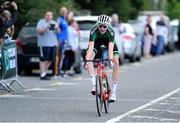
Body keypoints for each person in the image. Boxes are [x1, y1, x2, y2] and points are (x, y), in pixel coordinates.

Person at [85, 14, 120, 102]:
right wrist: (87, 60)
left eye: (104, 26)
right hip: (97, 41)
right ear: (97, 25)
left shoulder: (111, 31)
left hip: (109, 42)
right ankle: (94, 85)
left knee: (116, 62)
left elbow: (111, 47)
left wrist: (111, 59)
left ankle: (114, 91)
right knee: (89, 58)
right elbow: (91, 46)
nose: (102, 28)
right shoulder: (93, 30)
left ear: (107, 26)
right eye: (100, 26)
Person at [36, 11, 60, 80]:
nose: (48, 16)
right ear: (45, 16)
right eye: (47, 15)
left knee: (50, 60)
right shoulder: (41, 22)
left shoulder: (54, 22)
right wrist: (46, 27)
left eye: (50, 15)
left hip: (53, 44)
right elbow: (39, 31)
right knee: (43, 59)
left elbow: (58, 32)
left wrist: (56, 28)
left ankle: (44, 73)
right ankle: (42, 74)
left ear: (52, 16)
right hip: (44, 44)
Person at [55, 6, 68, 77]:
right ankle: (57, 72)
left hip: (64, 40)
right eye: (63, 11)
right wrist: (57, 30)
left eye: (65, 11)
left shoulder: (65, 20)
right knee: (59, 56)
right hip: (60, 40)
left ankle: (60, 70)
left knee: (62, 56)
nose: (64, 12)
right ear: (60, 12)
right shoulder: (59, 19)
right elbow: (56, 26)